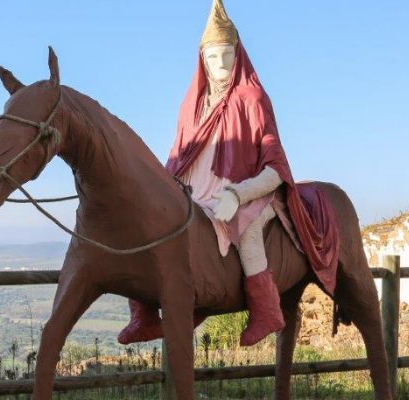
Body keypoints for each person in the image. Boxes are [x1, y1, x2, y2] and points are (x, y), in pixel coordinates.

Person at [118, 0, 339, 347]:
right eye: (212, 57)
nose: (220, 64)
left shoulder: (253, 97)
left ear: (239, 55)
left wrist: (238, 194)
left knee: (246, 229)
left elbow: (277, 168)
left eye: (227, 55)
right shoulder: (191, 104)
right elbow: (178, 156)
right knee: (150, 222)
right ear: (201, 60)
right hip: (195, 192)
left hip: (248, 190)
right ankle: (143, 314)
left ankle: (266, 311)